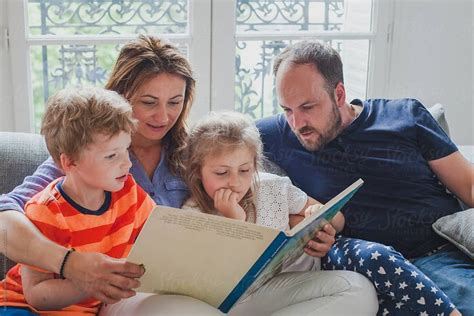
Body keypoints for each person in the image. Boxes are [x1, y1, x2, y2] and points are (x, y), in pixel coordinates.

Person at [0, 35, 222, 314]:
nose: (164, 117)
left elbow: (243, 180)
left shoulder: (192, 153)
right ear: (121, 99)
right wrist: (71, 264)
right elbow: (5, 215)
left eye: (175, 102)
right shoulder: (81, 156)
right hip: (107, 299)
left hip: (159, 289)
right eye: (149, 102)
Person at [257, 40, 472, 315]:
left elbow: (468, 185)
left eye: (308, 106)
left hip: (437, 257)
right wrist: (307, 227)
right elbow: (217, 149)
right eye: (287, 109)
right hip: (364, 271)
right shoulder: (274, 135)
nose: (297, 123)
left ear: (338, 94)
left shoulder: (404, 116)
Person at [181, 111, 378, 315]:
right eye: (221, 173)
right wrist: (235, 221)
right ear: (197, 171)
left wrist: (321, 219)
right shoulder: (192, 213)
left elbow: (338, 221)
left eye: (245, 170)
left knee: (358, 288)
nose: (235, 182)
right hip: (235, 302)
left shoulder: (272, 187)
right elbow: (211, 283)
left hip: (287, 289)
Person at [0, 87, 156, 315]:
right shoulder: (46, 210)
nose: (127, 164)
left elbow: (156, 235)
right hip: (21, 307)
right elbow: (36, 295)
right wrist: (92, 282)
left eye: (126, 151)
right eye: (111, 156)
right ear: (70, 163)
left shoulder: (129, 193)